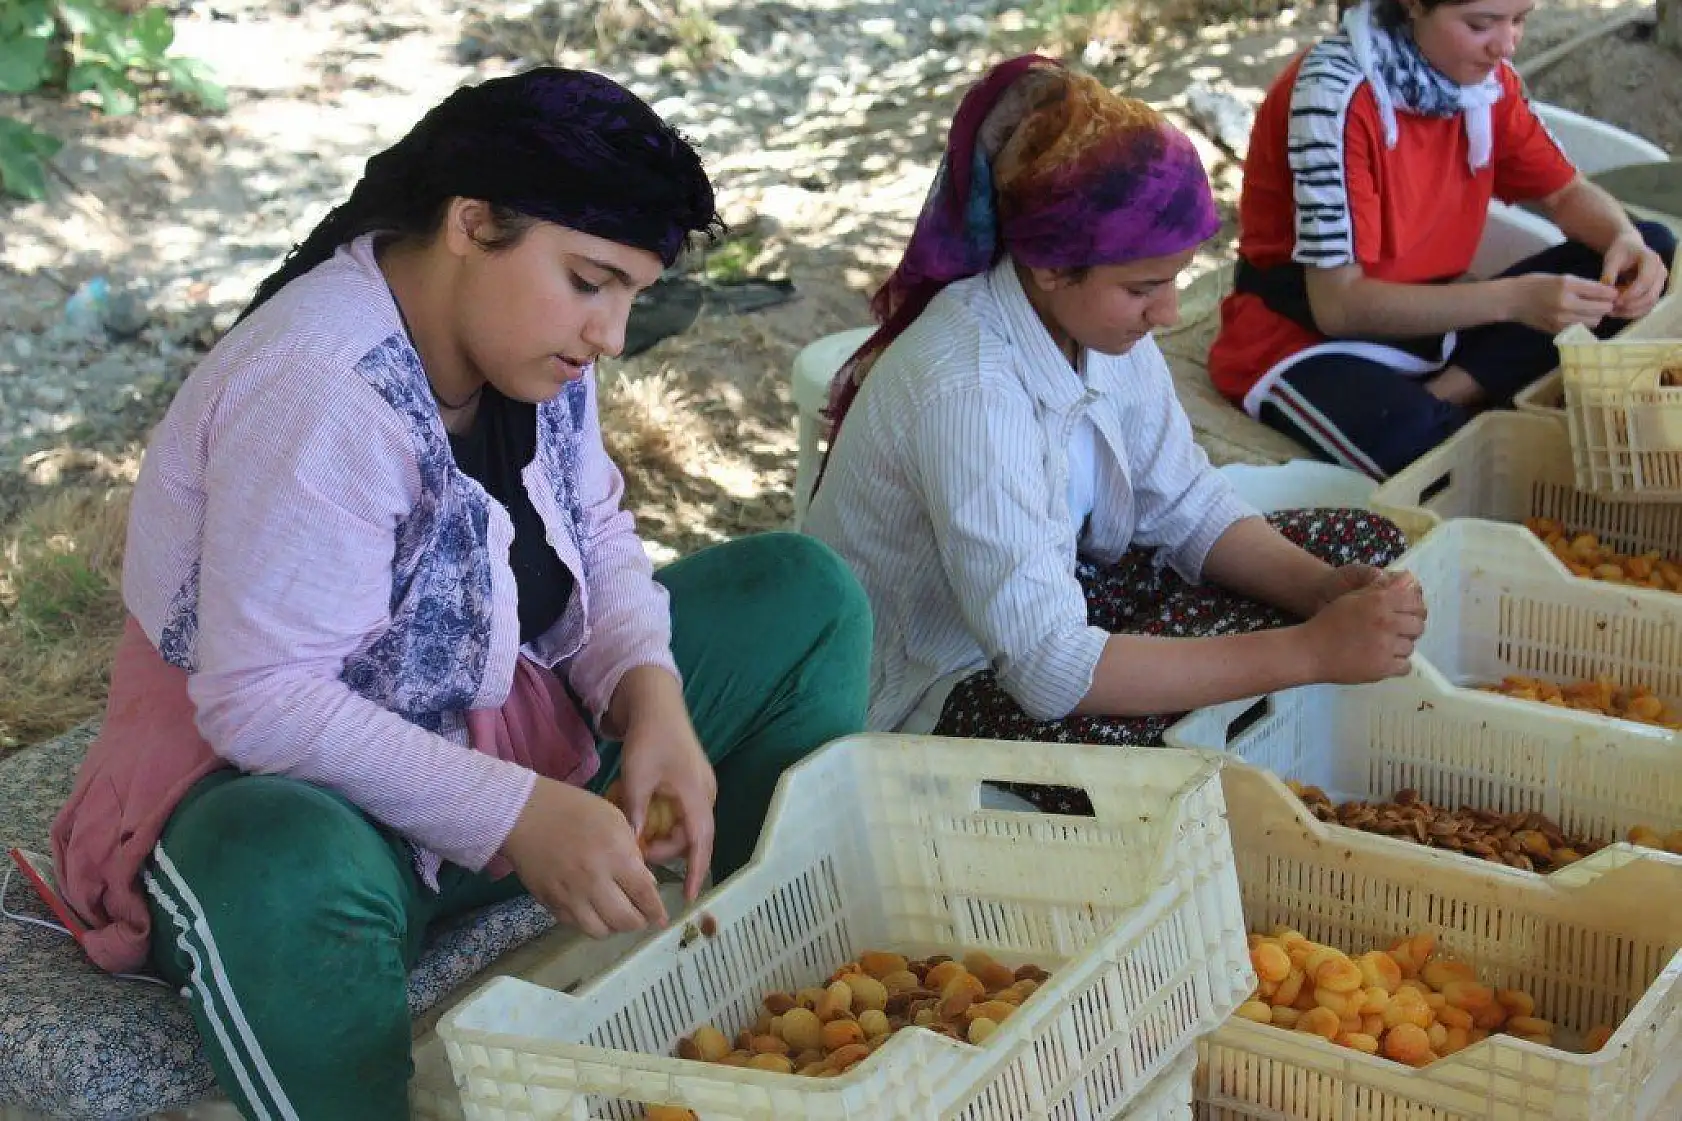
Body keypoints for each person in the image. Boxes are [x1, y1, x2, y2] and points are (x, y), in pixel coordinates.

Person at [47, 68, 871, 1120]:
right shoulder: (319, 385)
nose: (612, 334)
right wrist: (516, 812)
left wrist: (651, 696)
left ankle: (779, 980)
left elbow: (596, 527)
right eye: (590, 281)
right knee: (279, 869)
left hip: (496, 724)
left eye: (630, 292)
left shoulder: (530, 349)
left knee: (802, 595)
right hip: (305, 799)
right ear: (471, 223)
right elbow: (262, 699)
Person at [803, 55, 1426, 806]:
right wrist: (1307, 651)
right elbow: (1047, 669)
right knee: (1133, 773)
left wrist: (1320, 591)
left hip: (1065, 592)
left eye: (1175, 279)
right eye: (1142, 288)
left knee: (1362, 545)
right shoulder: (967, 391)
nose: (1169, 313)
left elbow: (1186, 502)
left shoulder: (1093, 329)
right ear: (1050, 268)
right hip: (940, 680)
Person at [1208, 0, 1676, 480]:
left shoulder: (1484, 84)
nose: (1506, 45)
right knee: (1437, 454)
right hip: (1307, 339)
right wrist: (1513, 301)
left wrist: (1623, 237)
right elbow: (1338, 308)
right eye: (1480, 24)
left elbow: (1565, 193)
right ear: (1413, 5)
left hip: (1436, 318)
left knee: (1650, 246)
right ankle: (1448, 402)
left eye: (1519, 20)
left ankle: (1448, 392)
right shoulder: (1332, 98)